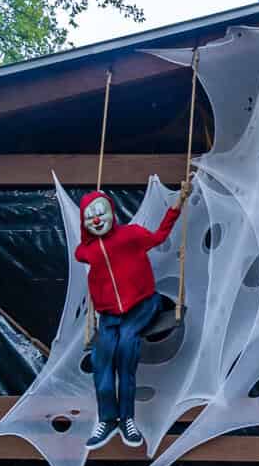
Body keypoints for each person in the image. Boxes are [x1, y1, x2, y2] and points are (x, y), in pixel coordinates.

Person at [75, 184, 189, 452]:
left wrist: (177, 205)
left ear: (112, 213)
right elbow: (81, 252)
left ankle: (127, 418)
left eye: (101, 212)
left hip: (141, 306)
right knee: (102, 358)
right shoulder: (86, 251)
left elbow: (160, 235)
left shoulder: (131, 235)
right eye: (90, 216)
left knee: (126, 349)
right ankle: (107, 420)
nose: (97, 219)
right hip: (109, 315)